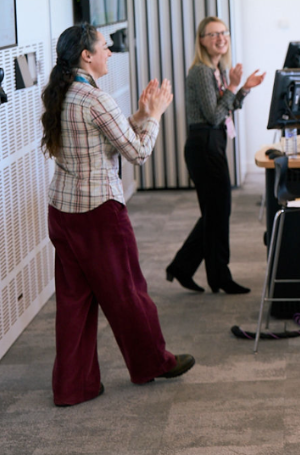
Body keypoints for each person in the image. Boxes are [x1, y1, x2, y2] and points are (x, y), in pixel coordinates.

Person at [40, 24, 194, 406]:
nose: (110, 53)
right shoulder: (95, 98)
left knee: (74, 303)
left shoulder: (64, 94)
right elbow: (137, 153)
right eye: (104, 48)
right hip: (99, 214)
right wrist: (155, 116)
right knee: (128, 292)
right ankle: (153, 363)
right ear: (86, 56)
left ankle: (73, 386)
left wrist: (140, 113)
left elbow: (107, 136)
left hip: (63, 211)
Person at [166, 17, 265, 294]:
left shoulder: (217, 69)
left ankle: (183, 268)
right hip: (204, 144)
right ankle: (219, 277)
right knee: (218, 213)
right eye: (213, 34)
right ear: (201, 40)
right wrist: (234, 88)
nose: (220, 38)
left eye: (223, 33)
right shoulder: (200, 71)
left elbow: (227, 109)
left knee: (215, 213)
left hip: (213, 143)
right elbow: (213, 115)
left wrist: (243, 88)